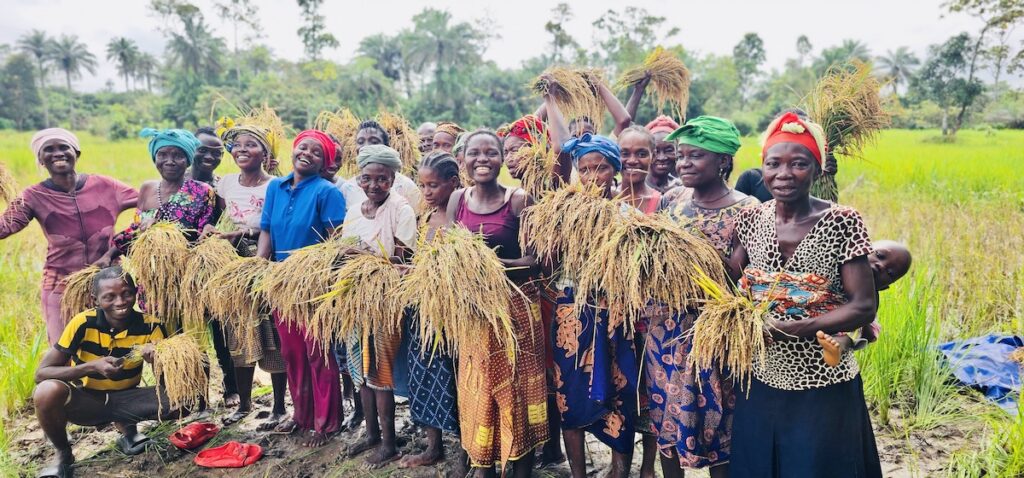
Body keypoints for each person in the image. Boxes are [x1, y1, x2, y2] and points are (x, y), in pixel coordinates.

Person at [726, 112, 881, 477]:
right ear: (762, 168)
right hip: (761, 376)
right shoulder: (750, 220)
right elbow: (730, 282)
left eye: (798, 164)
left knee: (818, 466)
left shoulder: (842, 221)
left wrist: (793, 329)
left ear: (817, 168)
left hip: (822, 381)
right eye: (773, 163)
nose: (783, 174)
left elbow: (863, 305)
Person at [650, 116, 757, 478]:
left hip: (714, 329)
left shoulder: (748, 210)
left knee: (718, 416)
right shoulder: (672, 199)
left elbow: (735, 274)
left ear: (723, 161)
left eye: (695, 156)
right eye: (681, 156)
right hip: (665, 325)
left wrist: (687, 251)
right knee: (666, 412)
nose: (683, 164)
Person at [446, 130, 551, 478]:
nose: (482, 160)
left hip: (515, 313)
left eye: (491, 153)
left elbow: (535, 260)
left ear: (502, 159)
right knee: (479, 387)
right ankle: (483, 463)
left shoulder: (520, 200)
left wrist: (490, 265)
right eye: (474, 153)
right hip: (474, 314)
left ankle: (520, 463)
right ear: (463, 160)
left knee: (517, 390)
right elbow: (445, 254)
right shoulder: (457, 200)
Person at [32, 266, 188, 478]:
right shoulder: (82, 323)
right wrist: (92, 366)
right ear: (95, 299)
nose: (120, 302)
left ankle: (128, 430)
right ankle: (63, 453)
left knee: (184, 399)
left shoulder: (151, 326)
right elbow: (42, 374)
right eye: (110, 297)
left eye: (126, 294)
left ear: (136, 292)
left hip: (128, 400)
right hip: (88, 402)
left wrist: (157, 361)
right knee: (46, 391)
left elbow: (168, 383)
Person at [553, 133, 641, 478]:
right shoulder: (561, 214)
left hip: (616, 312)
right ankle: (578, 473)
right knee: (569, 393)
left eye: (601, 168)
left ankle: (619, 472)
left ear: (615, 171)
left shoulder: (628, 216)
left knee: (620, 389)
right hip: (571, 313)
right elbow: (548, 262)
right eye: (585, 168)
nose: (592, 176)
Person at [0, 128, 137, 345]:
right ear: (40, 159)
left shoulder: (105, 185)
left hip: (107, 282)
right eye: (49, 149)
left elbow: (150, 203)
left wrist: (120, 244)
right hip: (60, 283)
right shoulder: (33, 196)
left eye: (64, 147)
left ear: (77, 153)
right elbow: (5, 227)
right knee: (63, 346)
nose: (58, 153)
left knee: (111, 345)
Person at [257, 130, 347, 448]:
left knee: (318, 353)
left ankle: (327, 423)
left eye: (317, 152)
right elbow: (266, 230)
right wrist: (258, 267)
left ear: (325, 163)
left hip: (314, 285)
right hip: (281, 284)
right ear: (294, 150)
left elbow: (335, 242)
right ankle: (302, 417)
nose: (307, 153)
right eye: (302, 147)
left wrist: (314, 274)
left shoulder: (327, 192)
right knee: (292, 352)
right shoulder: (275, 187)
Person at [202, 124, 289, 429]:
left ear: (265, 153)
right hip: (231, 266)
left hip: (265, 263)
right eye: (237, 145)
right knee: (238, 334)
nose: (241, 150)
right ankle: (245, 404)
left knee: (272, 334)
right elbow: (220, 219)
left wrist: (243, 233)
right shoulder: (225, 184)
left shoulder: (277, 186)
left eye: (250, 145)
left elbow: (276, 228)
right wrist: (214, 234)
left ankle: (279, 407)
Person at [341, 145, 417, 468]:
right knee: (359, 368)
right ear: (359, 179)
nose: (374, 185)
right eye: (367, 178)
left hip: (386, 301)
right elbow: (345, 249)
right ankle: (371, 433)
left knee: (380, 373)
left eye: (382, 179)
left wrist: (364, 257)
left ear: (392, 178)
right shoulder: (355, 210)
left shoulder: (402, 210)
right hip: (355, 300)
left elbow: (403, 260)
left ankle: (389, 443)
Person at [395, 151, 468, 472]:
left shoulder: (464, 217)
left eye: (433, 186)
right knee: (423, 376)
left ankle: (468, 450)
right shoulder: (422, 218)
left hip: (455, 314)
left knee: (460, 379)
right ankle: (433, 447)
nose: (426, 192)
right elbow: (408, 260)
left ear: (453, 183)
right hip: (421, 312)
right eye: (423, 185)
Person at [111, 128, 216, 253]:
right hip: (146, 261)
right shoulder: (147, 188)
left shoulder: (202, 191)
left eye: (178, 156)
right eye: (162, 155)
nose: (170, 162)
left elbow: (203, 237)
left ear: (188, 161)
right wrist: (108, 255)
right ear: (155, 158)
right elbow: (134, 231)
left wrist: (159, 229)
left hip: (185, 263)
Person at [817, 240, 912, 365]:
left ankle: (837, 347)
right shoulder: (837, 267)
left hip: (855, 327)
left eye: (890, 273)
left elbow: (866, 327)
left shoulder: (870, 296)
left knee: (848, 339)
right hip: (824, 314)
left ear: (883, 287)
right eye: (879, 255)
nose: (881, 266)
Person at [644, 116, 681, 193]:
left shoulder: (682, 188)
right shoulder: (635, 188)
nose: (662, 158)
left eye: (669, 150)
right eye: (656, 151)